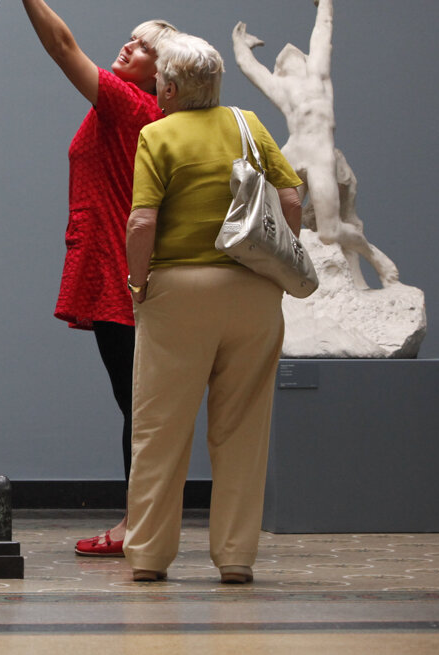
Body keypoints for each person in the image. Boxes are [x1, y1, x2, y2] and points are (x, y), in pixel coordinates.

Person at [6, 0, 178, 554]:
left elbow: (62, 45)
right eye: (132, 37)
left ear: (164, 72)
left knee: (140, 411)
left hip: (119, 280)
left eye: (144, 45)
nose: (128, 45)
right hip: (113, 273)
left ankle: (140, 529)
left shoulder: (132, 107)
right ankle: (143, 526)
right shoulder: (137, 111)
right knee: (138, 406)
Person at [124, 33, 302, 584]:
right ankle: (235, 558)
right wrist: (273, 266)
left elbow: (141, 222)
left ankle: (150, 557)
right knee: (244, 429)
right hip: (251, 293)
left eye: (159, 83)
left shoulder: (157, 134)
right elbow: (292, 199)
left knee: (160, 428)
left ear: (171, 87)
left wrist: (136, 284)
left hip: (179, 293)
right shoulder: (249, 124)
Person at [232, 0, 398, 287]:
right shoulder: (281, 88)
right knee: (275, 224)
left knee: (329, 232)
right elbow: (251, 69)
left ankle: (375, 257)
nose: (286, 55)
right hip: (293, 152)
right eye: (282, 60)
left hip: (320, 152)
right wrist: (240, 44)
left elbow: (323, 32)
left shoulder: (318, 77)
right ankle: (288, 286)